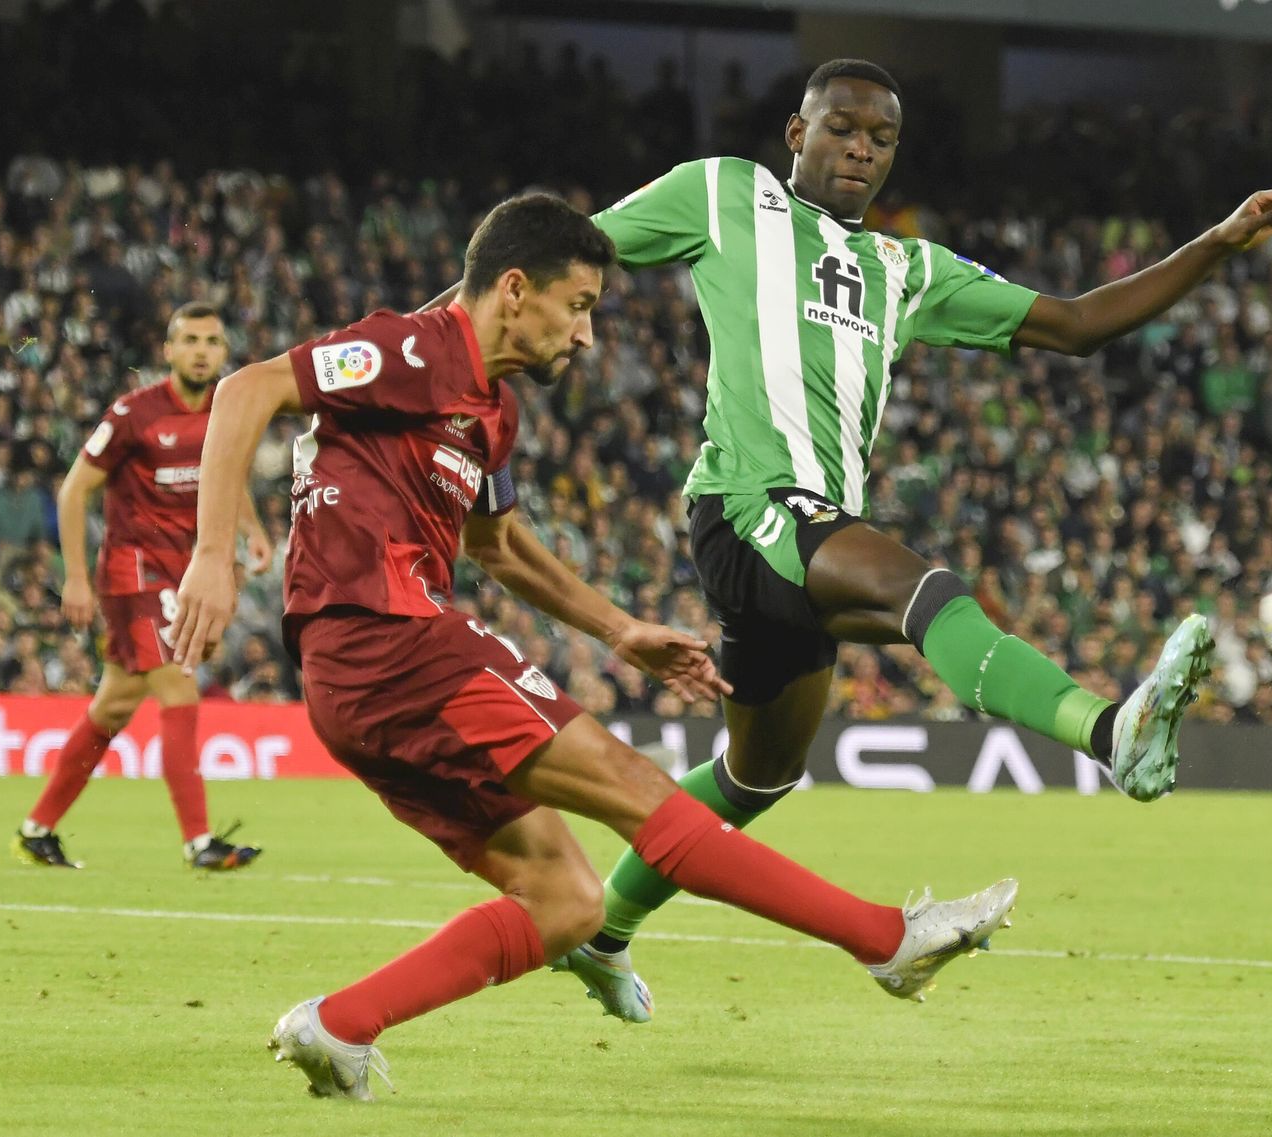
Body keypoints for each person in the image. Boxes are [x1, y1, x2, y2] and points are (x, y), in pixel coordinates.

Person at [446, 58, 1272, 1021]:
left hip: (809, 529)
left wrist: (1220, 240)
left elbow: (1076, 325)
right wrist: (436, 352)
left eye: (880, 137)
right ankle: (1109, 732)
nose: (860, 148)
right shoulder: (721, 195)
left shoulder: (908, 269)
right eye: (841, 129)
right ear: (797, 133)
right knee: (927, 593)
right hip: (749, 506)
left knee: (756, 774)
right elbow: (566, 252)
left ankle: (603, 932)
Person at [167, 193, 1017, 1101]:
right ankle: (887, 938)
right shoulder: (415, 348)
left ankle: (337, 1026)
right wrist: (212, 559)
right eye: (578, 307)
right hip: (391, 640)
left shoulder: (491, 410)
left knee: (568, 904)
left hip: (363, 683)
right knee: (640, 795)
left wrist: (622, 630)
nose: (585, 336)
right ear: (515, 289)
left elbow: (497, 547)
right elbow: (246, 388)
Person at [11, 303, 271, 871]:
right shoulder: (134, 413)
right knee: (180, 687)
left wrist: (251, 530)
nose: (202, 350)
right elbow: (74, 491)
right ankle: (200, 842)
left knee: (115, 705)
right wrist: (76, 578)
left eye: (212, 341)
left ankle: (37, 828)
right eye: (191, 340)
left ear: (224, 352)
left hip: (182, 573)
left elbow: (227, 478)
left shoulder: (224, 414)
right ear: (169, 350)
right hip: (133, 572)